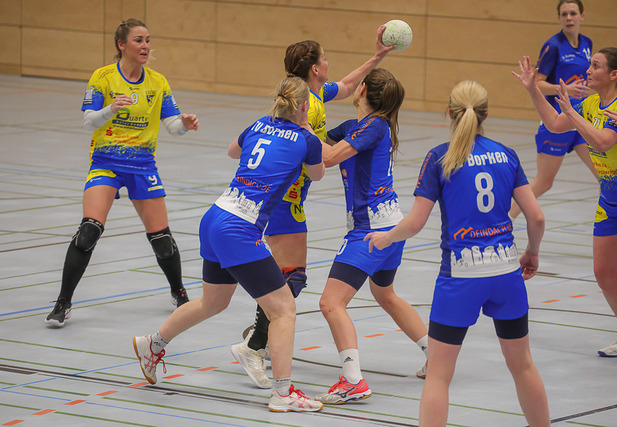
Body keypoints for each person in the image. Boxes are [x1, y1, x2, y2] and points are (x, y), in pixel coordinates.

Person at [133, 76, 326, 413]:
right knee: (284, 310)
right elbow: (318, 173)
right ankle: (282, 393)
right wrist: (307, 132)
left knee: (213, 302)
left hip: (216, 216)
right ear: (305, 107)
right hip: (240, 227)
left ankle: (153, 343)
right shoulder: (306, 139)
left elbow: (232, 151)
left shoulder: (259, 124)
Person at [366, 80, 549, 426]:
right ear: (486, 116)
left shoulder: (439, 157)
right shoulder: (506, 155)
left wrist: (386, 238)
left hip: (461, 276)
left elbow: (416, 222)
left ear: (449, 114)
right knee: (523, 365)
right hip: (506, 272)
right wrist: (532, 252)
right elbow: (536, 217)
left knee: (438, 375)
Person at [231, 26, 399, 388]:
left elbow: (350, 85)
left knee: (288, 276)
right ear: (314, 68)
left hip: (293, 197)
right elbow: (321, 157)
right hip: (283, 197)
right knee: (290, 277)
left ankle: (259, 339)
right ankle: (255, 345)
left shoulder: (312, 93)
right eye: (325, 59)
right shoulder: (305, 104)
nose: (329, 63)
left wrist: (378, 55)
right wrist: (312, 143)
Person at [45, 18, 199, 327]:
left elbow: (172, 126)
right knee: (88, 232)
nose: (145, 46)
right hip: (106, 162)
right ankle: (63, 303)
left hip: (142, 165)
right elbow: (88, 122)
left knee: (162, 240)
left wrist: (184, 124)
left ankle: (179, 293)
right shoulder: (103, 77)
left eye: (148, 40)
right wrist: (110, 109)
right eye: (139, 40)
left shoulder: (157, 82)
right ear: (122, 45)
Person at [312, 68, 430, 405]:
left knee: (331, 303)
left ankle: (353, 381)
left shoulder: (373, 127)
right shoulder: (360, 126)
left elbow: (328, 157)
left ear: (362, 90)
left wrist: (299, 122)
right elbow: (322, 142)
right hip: (390, 227)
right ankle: (435, 354)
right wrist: (307, 118)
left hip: (371, 232)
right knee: (386, 294)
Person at [514, 48, 617, 356]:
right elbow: (556, 124)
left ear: (613, 75)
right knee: (604, 273)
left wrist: (572, 113)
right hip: (611, 201)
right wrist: (533, 90)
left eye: (595, 65)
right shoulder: (591, 103)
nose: (588, 70)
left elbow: (603, 142)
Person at [509, 0, 598, 219]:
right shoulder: (553, 46)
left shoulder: (587, 43)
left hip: (580, 120)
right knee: (544, 183)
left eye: (573, 13)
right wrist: (565, 88)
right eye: (564, 14)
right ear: (559, 18)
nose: (569, 18)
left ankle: (615, 224)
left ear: (582, 16)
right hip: (557, 121)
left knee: (604, 176)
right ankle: (505, 219)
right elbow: (537, 83)